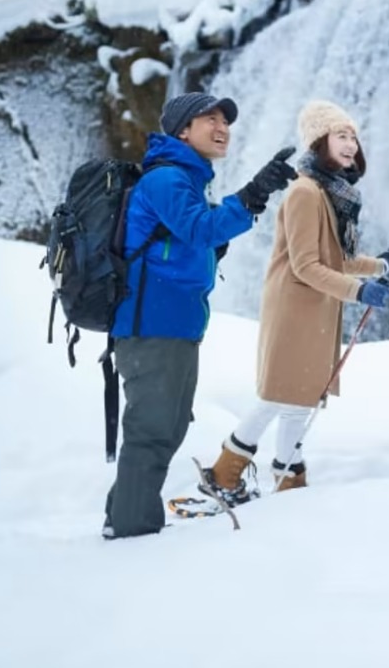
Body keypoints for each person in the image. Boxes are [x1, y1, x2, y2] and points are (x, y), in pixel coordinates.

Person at [103, 91, 298, 539]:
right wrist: (254, 192)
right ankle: (133, 534)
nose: (222, 126)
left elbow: (198, 239)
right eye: (208, 118)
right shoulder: (167, 179)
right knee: (152, 430)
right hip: (151, 325)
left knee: (164, 429)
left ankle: (124, 518)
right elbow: (201, 228)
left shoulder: (187, 181)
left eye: (224, 119)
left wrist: (243, 204)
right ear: (181, 131)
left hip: (173, 325)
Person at [201, 100, 389, 502]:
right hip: (295, 310)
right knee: (278, 396)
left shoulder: (332, 194)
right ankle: (225, 475)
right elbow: (306, 266)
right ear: (319, 142)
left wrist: (380, 266)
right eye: (340, 135)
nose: (351, 144)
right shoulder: (304, 192)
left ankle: (287, 481)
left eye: (353, 136)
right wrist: (358, 290)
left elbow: (338, 259)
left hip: (317, 310)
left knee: (300, 399)